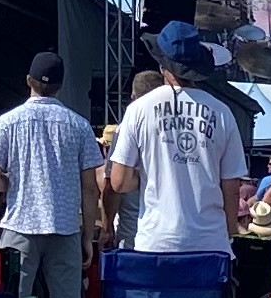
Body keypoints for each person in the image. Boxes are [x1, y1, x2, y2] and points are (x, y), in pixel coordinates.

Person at [0, 51, 102, 298]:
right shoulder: (78, 124)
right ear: (61, 86)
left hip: (20, 224)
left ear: (28, 81)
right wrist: (87, 234)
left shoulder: (9, 121)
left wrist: (13, 184)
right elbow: (89, 186)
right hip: (64, 225)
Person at [108, 23, 253, 265]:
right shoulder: (222, 112)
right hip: (209, 244)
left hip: (156, 242)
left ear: (162, 65)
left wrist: (147, 175)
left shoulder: (138, 110)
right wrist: (228, 230)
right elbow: (232, 185)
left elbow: (119, 181)